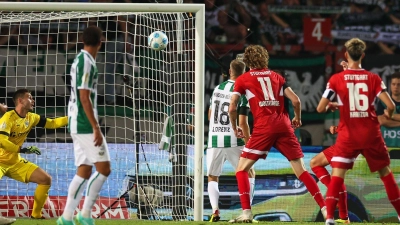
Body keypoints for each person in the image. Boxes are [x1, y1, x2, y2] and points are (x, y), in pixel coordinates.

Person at [228, 45, 326, 223]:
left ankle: (247, 213)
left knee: (242, 170)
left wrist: (235, 126)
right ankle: (325, 208)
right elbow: (296, 100)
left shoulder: (243, 79)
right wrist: (297, 118)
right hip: (284, 126)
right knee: (301, 171)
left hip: (264, 127)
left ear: (247, 61)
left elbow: (233, 106)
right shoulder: (277, 77)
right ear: (265, 59)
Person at [316, 38, 400, 225]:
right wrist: (390, 113)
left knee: (337, 175)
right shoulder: (374, 78)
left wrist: (331, 106)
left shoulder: (336, 79)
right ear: (363, 55)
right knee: (386, 175)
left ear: (346, 54)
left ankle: (330, 217)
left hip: (348, 134)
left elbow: (320, 108)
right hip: (370, 133)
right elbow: (390, 105)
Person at [57, 26, 111, 225]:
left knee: (84, 170)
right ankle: (85, 213)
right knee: (104, 168)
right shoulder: (86, 62)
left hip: (77, 121)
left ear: (82, 40)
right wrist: (96, 127)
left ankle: (66, 217)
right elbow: (84, 97)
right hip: (84, 123)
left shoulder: (82, 60)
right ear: (101, 41)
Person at [0, 89, 68, 220]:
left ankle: (36, 215)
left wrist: (72, 118)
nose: (33, 100)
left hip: (14, 161)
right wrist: (22, 150)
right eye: (30, 97)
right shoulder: (8, 118)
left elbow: (52, 123)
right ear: (20, 101)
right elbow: (2, 141)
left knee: (45, 180)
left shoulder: (32, 118)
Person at [207, 59, 256, 222]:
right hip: (235, 140)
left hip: (214, 139)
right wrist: (250, 142)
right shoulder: (243, 91)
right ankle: (247, 212)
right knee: (249, 172)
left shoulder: (217, 89)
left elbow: (210, 114)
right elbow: (243, 122)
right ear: (244, 73)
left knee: (213, 176)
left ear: (230, 72)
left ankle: (215, 211)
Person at [310, 61, 350, 224]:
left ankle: (340, 214)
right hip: (348, 139)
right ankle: (343, 216)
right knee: (316, 163)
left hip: (349, 142)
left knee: (334, 177)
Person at [376, 72, 400, 147]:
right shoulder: (383, 102)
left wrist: (391, 116)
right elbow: (381, 121)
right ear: (390, 85)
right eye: (393, 84)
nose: (396, 87)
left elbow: (385, 120)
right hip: (387, 146)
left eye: (399, 84)